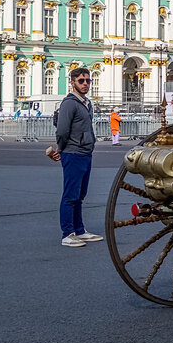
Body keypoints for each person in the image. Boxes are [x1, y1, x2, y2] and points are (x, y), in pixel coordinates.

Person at [49, 67, 100, 248]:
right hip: (73, 152)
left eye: (88, 80)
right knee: (70, 195)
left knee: (80, 195)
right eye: (81, 81)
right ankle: (67, 233)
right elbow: (62, 130)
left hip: (86, 153)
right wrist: (61, 149)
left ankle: (80, 231)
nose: (85, 83)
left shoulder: (87, 103)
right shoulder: (69, 103)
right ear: (72, 83)